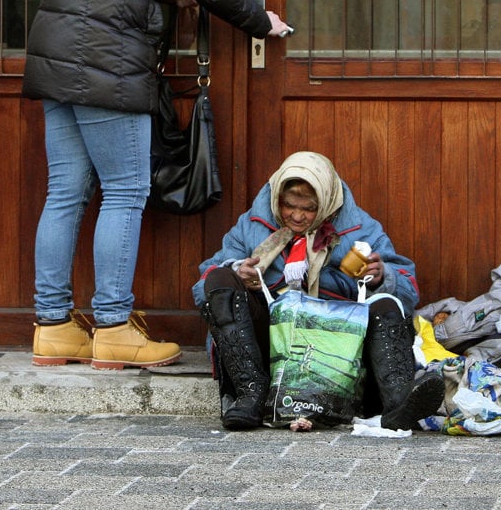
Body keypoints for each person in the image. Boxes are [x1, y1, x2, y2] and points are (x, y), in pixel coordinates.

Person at [22, 0, 291, 370]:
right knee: (124, 191)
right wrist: (259, 20)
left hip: (58, 44)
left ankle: (53, 327)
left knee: (66, 192)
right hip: (106, 55)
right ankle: (114, 326)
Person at [191, 151, 445, 430]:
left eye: (309, 208)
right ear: (277, 198)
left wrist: (380, 277)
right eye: (289, 205)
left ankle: (398, 404)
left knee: (385, 304)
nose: (297, 216)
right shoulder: (252, 225)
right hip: (274, 342)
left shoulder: (360, 229)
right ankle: (251, 393)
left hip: (338, 347)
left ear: (326, 202)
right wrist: (240, 273)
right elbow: (203, 288)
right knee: (221, 279)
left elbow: (408, 290)